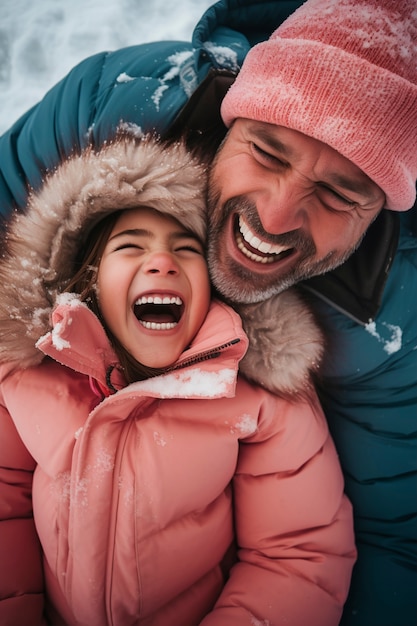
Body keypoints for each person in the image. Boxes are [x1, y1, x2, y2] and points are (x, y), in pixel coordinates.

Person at [0, 0, 415, 624]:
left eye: (336, 194)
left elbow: (367, 544)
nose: (274, 218)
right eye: (268, 153)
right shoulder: (109, 108)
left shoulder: (388, 334)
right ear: (231, 120)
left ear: (380, 208)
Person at [0, 135, 355, 626]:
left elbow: (298, 555)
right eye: (130, 247)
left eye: (186, 249)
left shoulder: (260, 404)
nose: (163, 261)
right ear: (89, 281)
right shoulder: (28, 381)